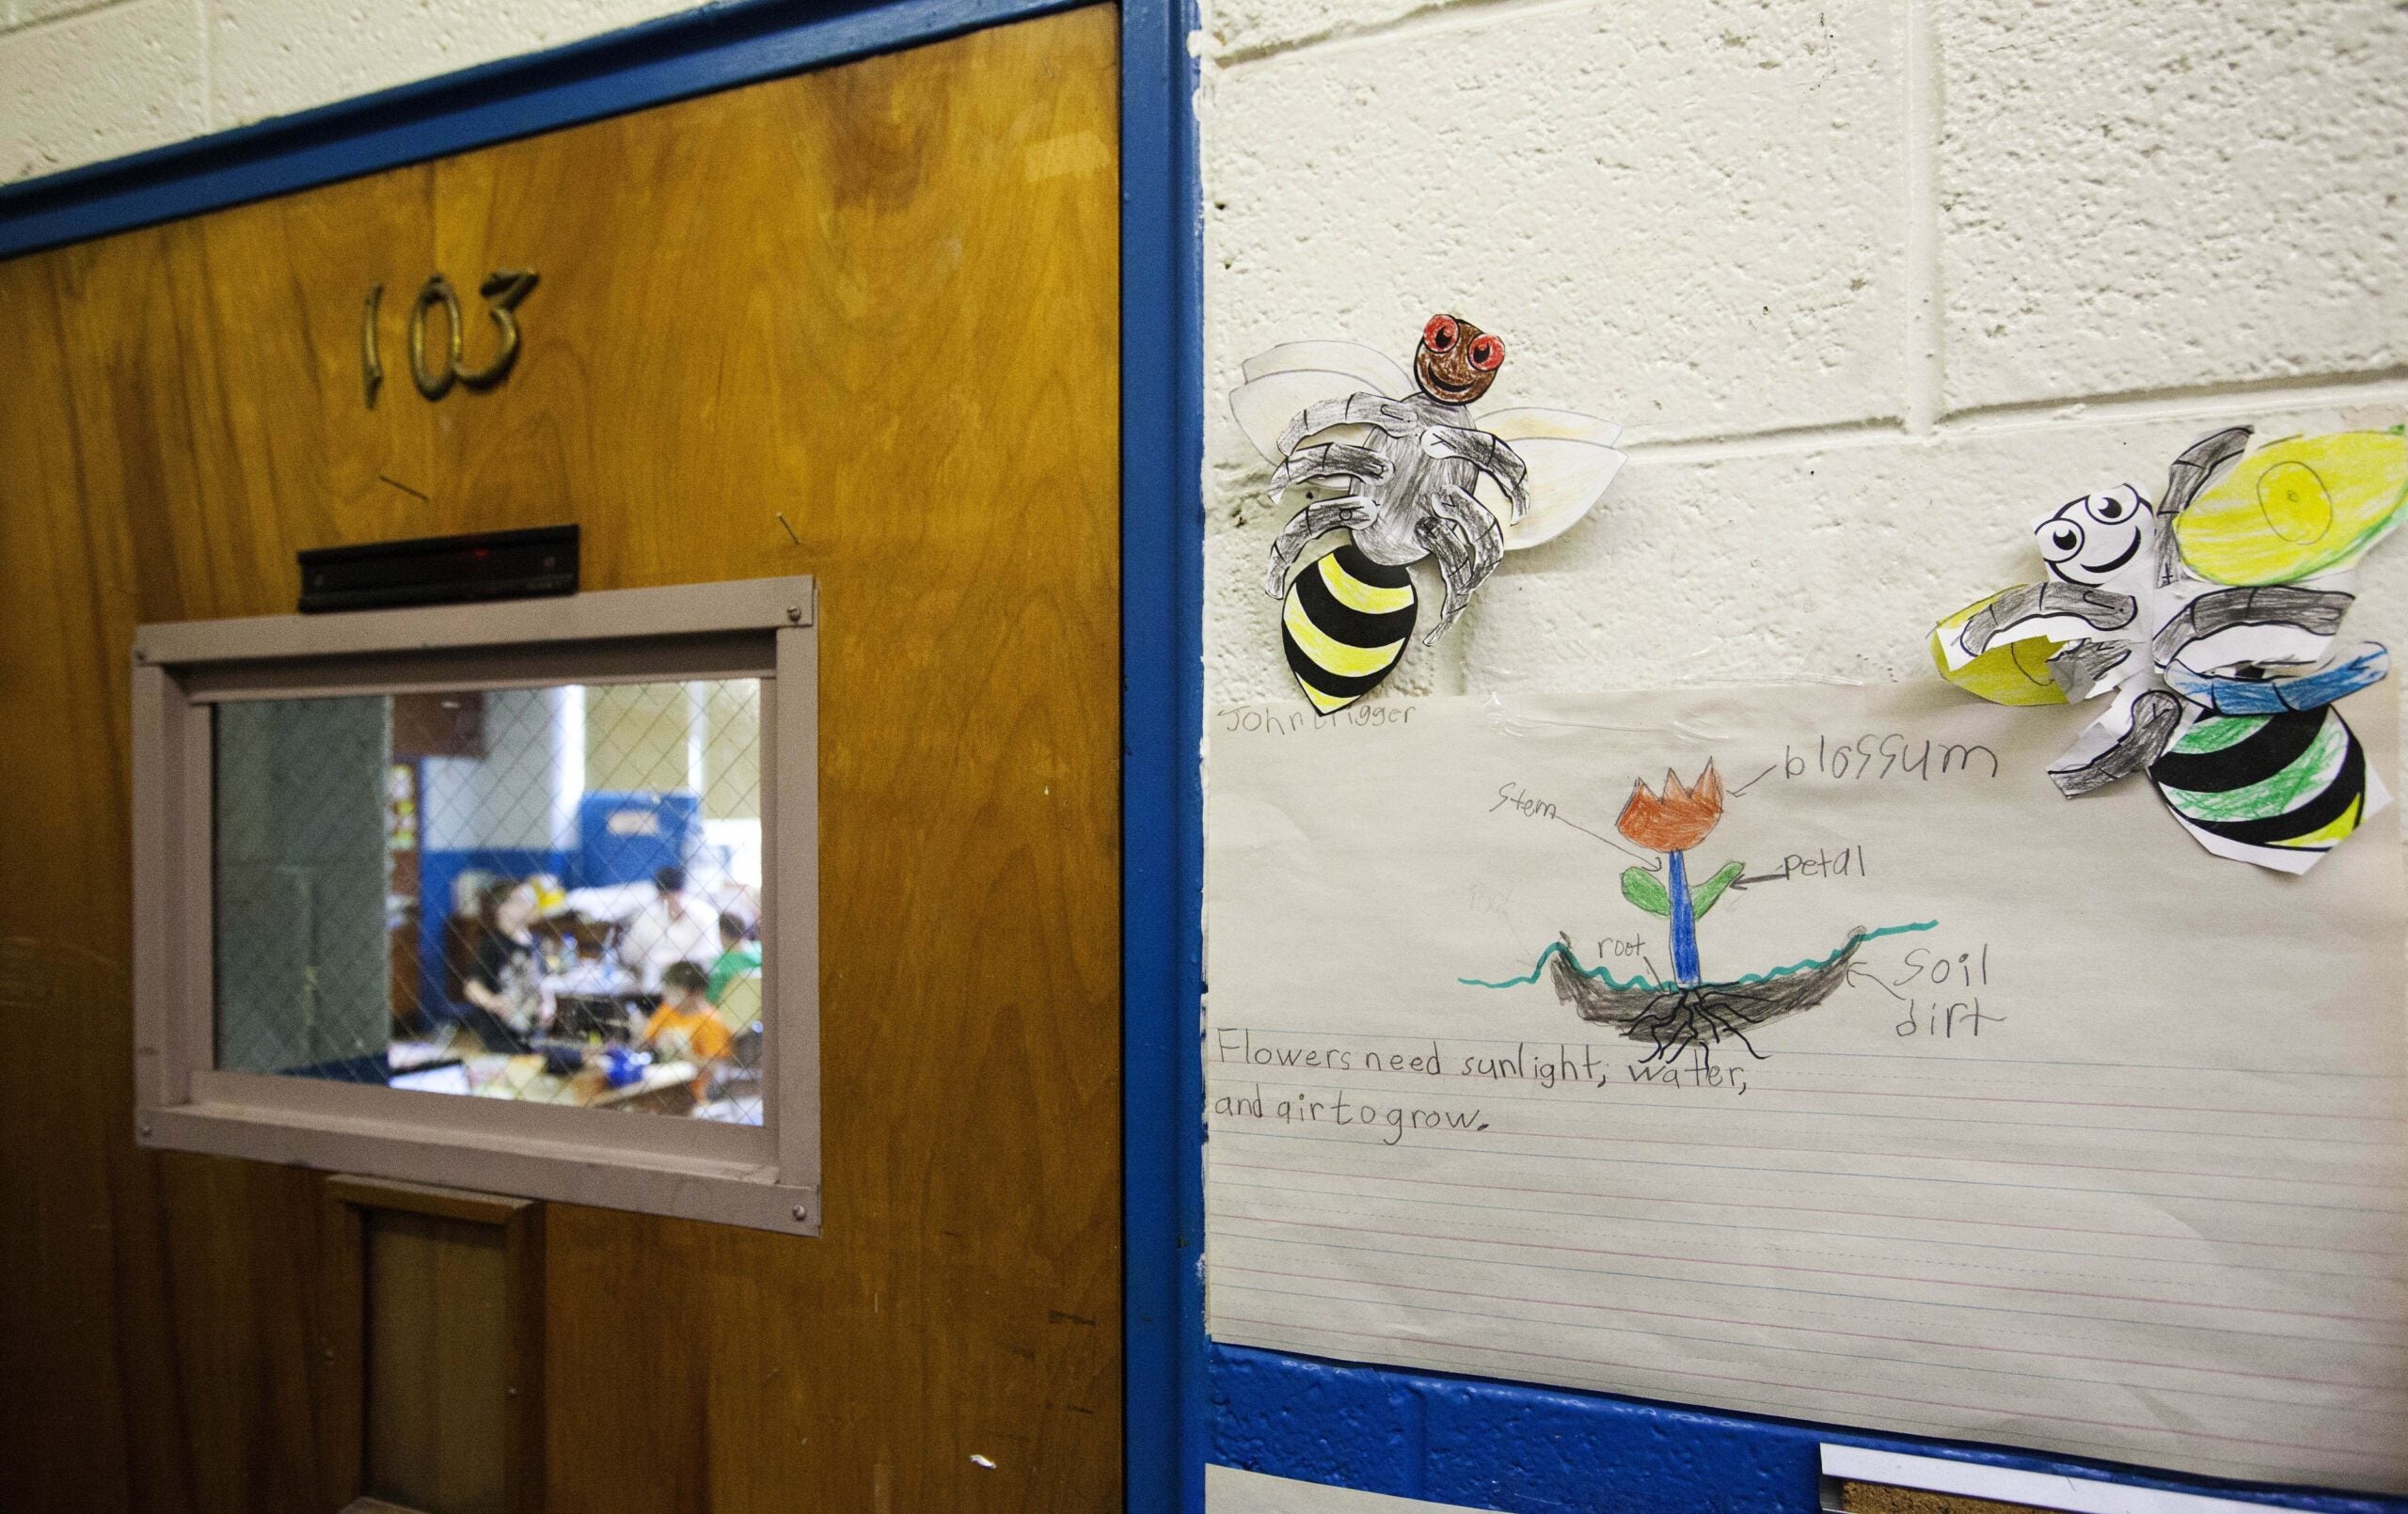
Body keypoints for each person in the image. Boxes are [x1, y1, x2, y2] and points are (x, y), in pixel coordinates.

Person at [460, 877, 552, 1052]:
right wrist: (493, 1002)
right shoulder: (492, 944)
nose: (529, 905)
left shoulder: (537, 942)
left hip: (534, 1033)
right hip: (502, 1036)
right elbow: (472, 987)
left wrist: (548, 1005)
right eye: (522, 901)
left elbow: (544, 982)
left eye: (531, 900)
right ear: (502, 908)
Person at [635, 960, 734, 1098]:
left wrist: (682, 1052)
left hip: (694, 1093)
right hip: (661, 1086)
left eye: (675, 993)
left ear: (696, 993)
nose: (668, 998)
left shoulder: (711, 1022)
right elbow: (645, 1043)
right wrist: (640, 1032)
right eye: (667, 991)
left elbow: (715, 1070)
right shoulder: (667, 1011)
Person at [618, 864, 719, 994]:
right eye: (663, 896)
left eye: (671, 895)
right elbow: (629, 953)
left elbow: (709, 953)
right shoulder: (645, 917)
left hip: (693, 986)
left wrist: (670, 961)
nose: (667, 900)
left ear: (682, 893)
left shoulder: (705, 915)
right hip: (654, 987)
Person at [705, 909, 762, 1006]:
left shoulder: (720, 967)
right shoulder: (762, 951)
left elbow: (709, 1000)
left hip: (724, 1017)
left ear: (722, 933)